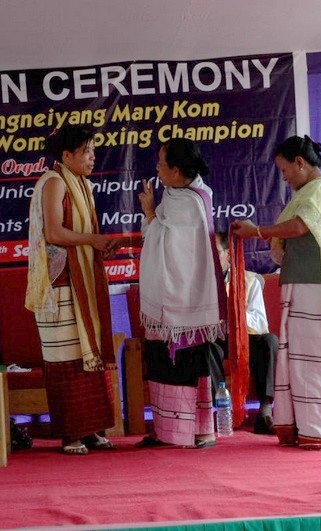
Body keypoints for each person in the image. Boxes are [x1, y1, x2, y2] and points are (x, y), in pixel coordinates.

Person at [232, 135, 321, 450]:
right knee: (302, 362)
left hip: (319, 292)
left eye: (284, 170)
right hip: (303, 287)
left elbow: (299, 227)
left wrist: (257, 231)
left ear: (299, 163)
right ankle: (307, 428)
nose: (283, 178)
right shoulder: (311, 191)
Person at [25, 124, 120, 456]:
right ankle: (71, 433)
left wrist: (98, 245)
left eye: (93, 151)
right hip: (60, 283)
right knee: (66, 359)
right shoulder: (54, 181)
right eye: (86, 152)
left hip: (82, 279)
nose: (92, 157)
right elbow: (54, 233)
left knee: (86, 354)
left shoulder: (81, 184)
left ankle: (92, 429)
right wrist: (93, 240)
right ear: (66, 156)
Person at [135, 138, 226, 450]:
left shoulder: (193, 200)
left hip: (188, 297)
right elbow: (158, 234)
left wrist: (149, 212)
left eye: (161, 164)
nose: (157, 169)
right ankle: (167, 432)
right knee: (161, 358)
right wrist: (153, 215)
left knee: (191, 359)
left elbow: (165, 239)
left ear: (175, 171)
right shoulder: (174, 195)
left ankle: (199, 431)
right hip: (166, 298)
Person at [215, 231, 278, 434]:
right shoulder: (197, 283)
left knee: (269, 341)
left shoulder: (249, 280)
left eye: (216, 252)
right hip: (215, 339)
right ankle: (217, 411)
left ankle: (265, 411)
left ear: (228, 254)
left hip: (244, 339)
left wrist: (235, 313)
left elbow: (260, 322)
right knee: (207, 349)